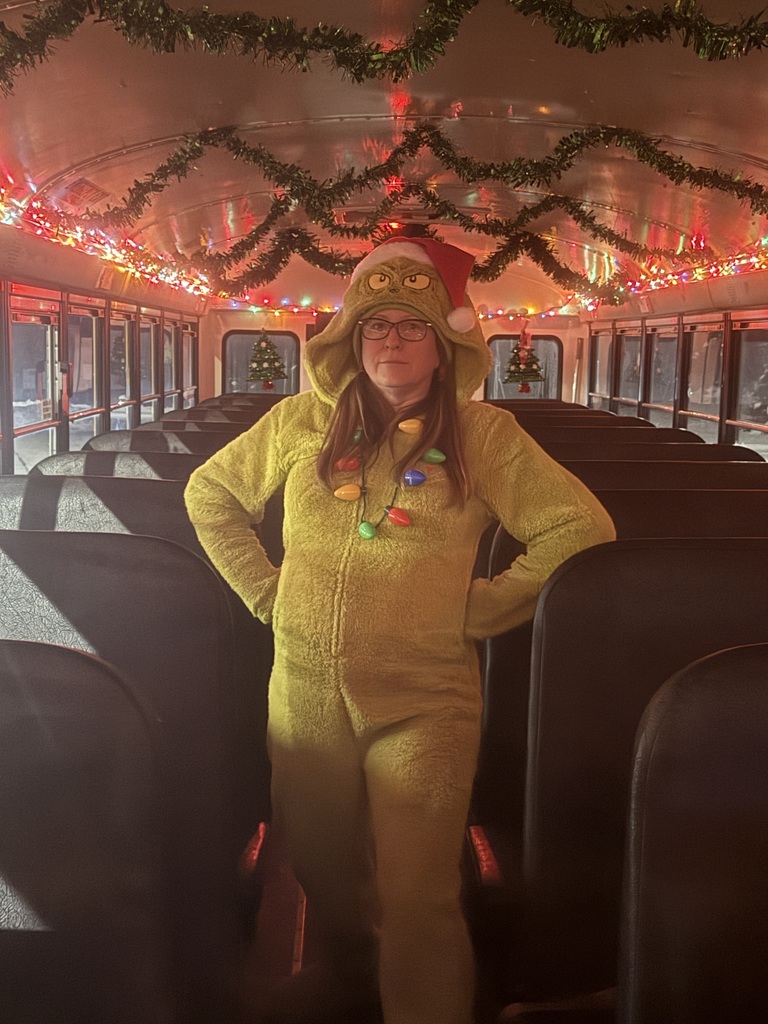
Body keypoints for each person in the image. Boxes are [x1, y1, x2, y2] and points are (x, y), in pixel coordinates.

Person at [184, 236, 616, 1024]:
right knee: (317, 862)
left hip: (425, 697)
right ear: (351, 339)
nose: (391, 340)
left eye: (412, 325)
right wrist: (264, 592)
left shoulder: (487, 438)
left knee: (419, 894)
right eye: (375, 324)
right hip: (304, 691)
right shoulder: (297, 422)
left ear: (446, 343)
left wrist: (481, 608)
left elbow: (578, 528)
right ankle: (352, 971)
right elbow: (209, 495)